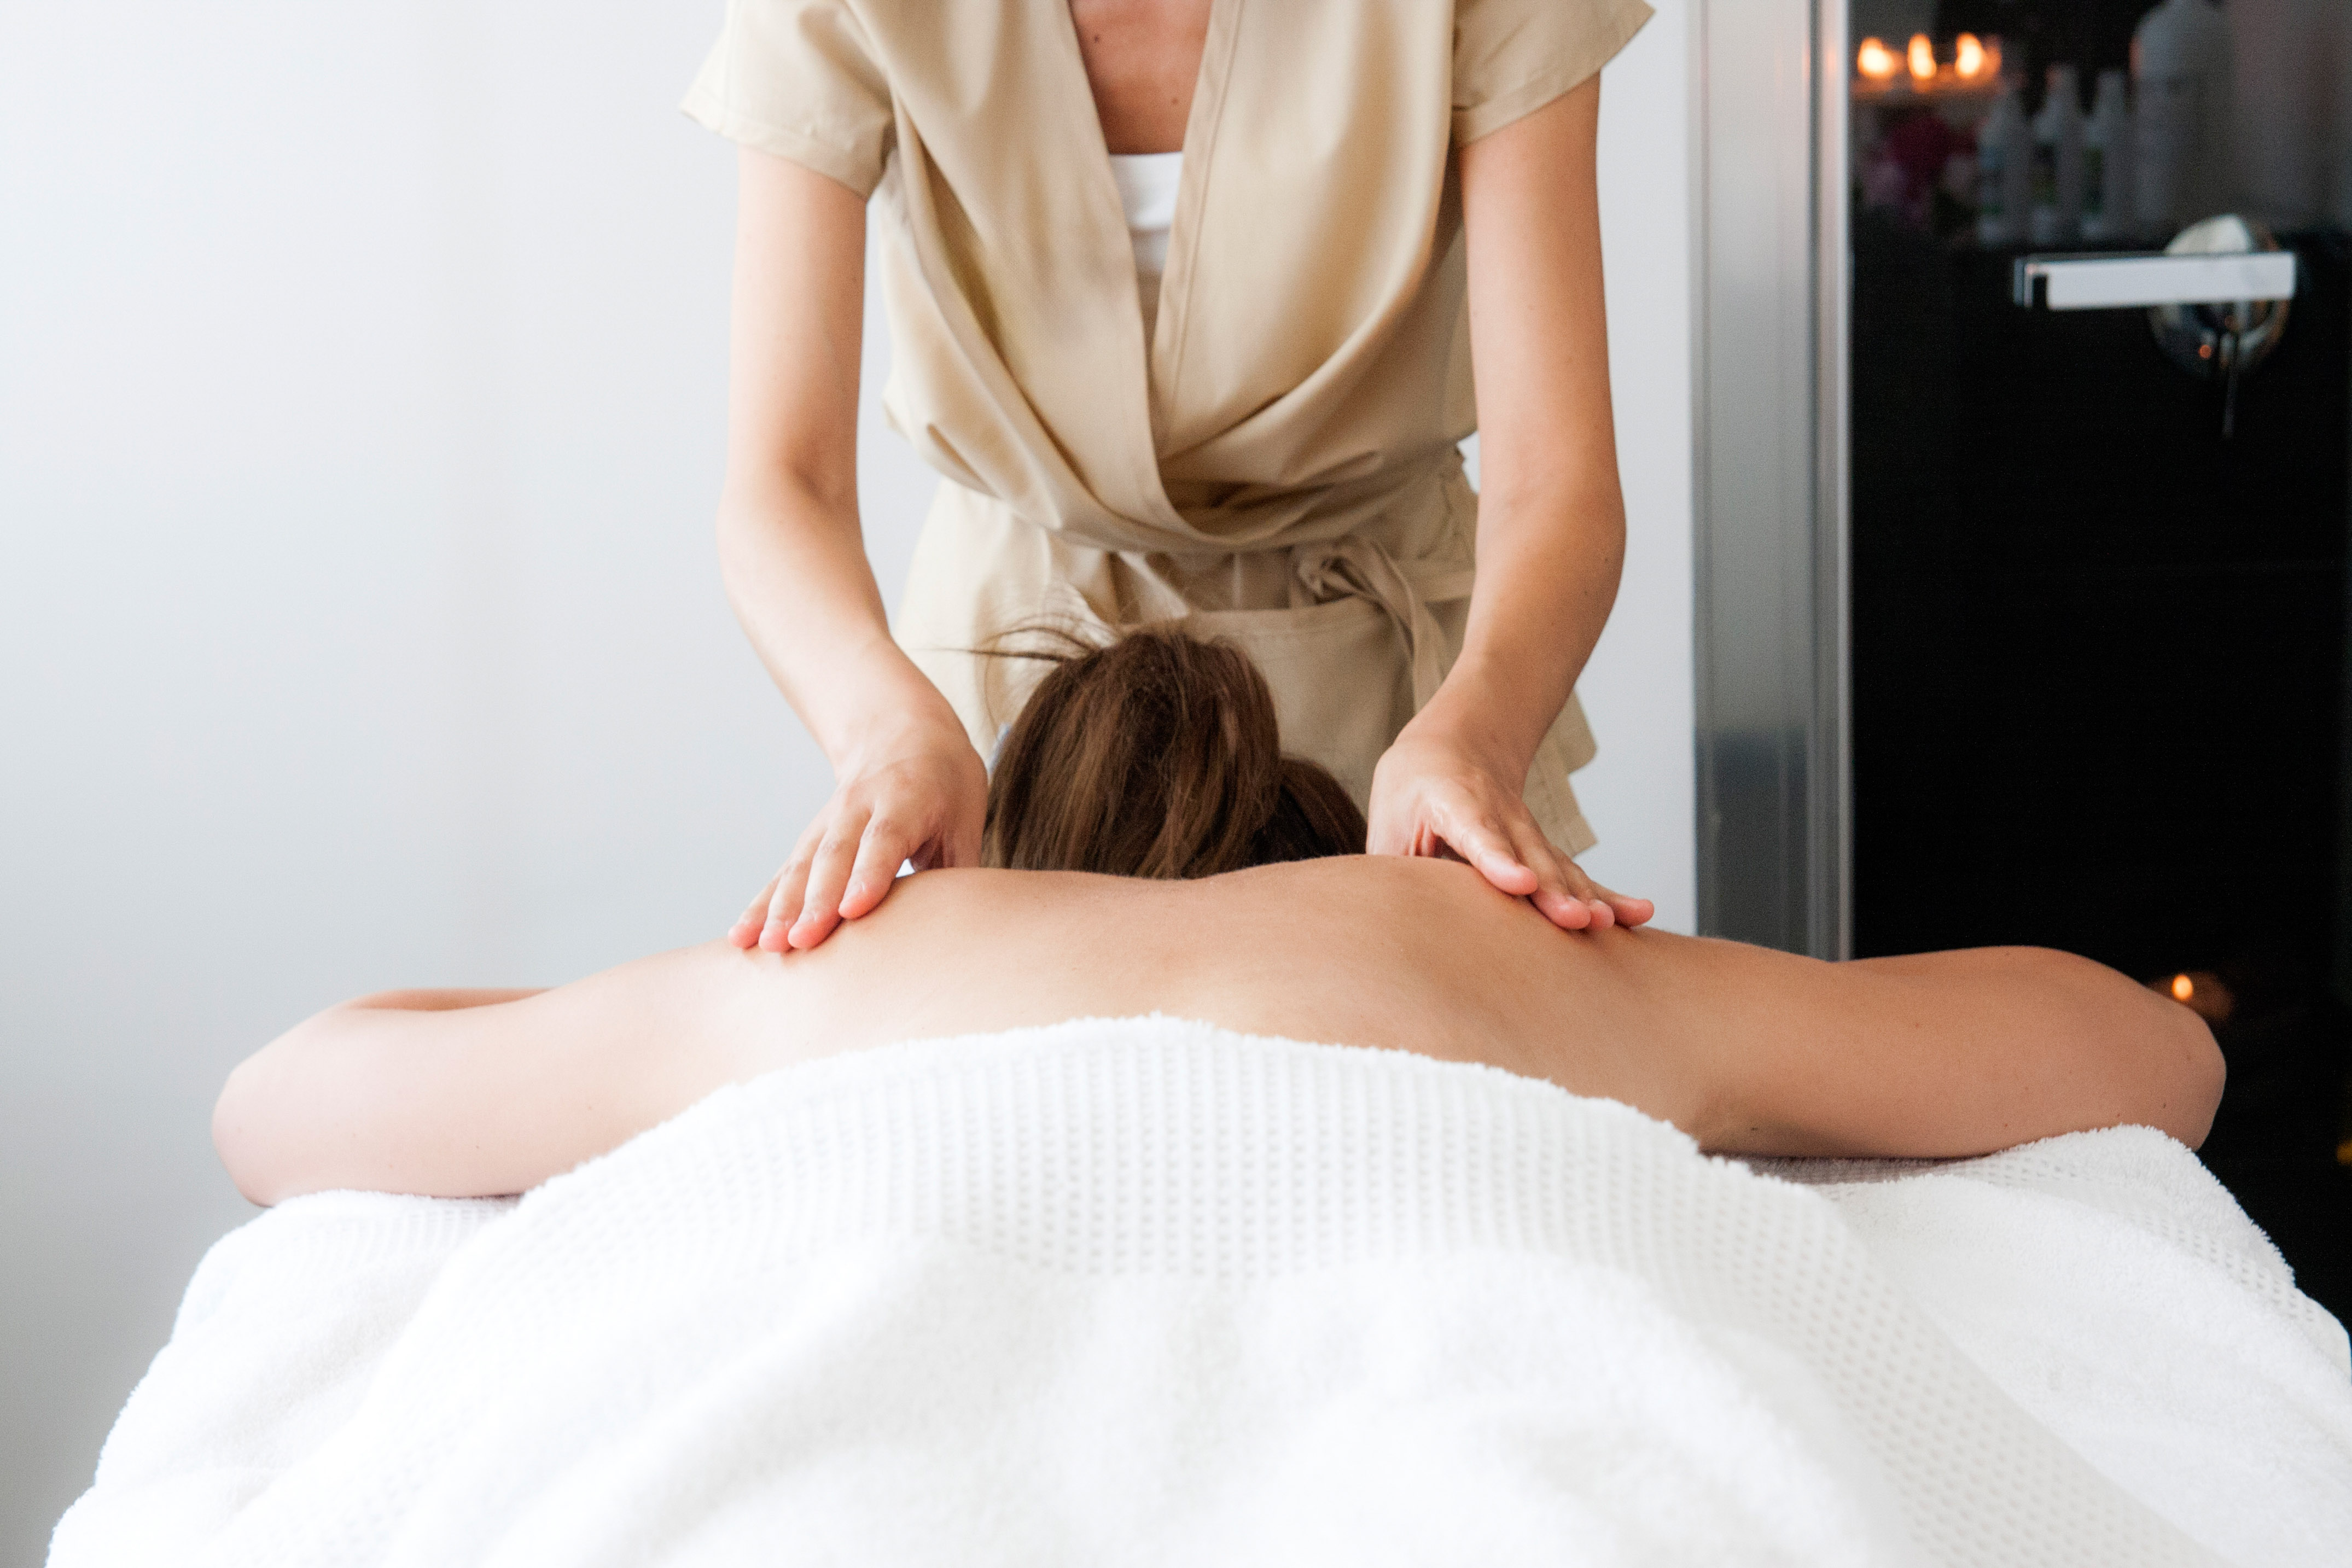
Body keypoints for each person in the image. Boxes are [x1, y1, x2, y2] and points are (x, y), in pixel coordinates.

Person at [213, 628, 2222, 1206]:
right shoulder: (1484, 943)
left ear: (995, 853)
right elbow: (2158, 1050)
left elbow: (280, 1101)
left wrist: (643, 989)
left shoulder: (856, 969)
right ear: (1337, 836)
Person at [684, 0, 1660, 955]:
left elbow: (1554, 480)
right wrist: (887, 739)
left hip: (1413, 716)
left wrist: (1477, 738)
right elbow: (786, 485)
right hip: (991, 721)